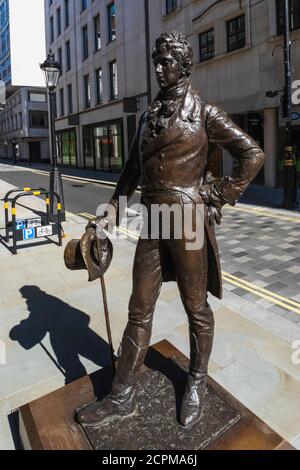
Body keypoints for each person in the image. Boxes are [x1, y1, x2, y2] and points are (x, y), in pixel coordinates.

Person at [77, 31, 265, 428]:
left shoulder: (205, 113)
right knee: (138, 307)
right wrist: (108, 213)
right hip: (153, 221)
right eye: (156, 61)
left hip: (188, 219)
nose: (159, 68)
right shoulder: (147, 116)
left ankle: (196, 380)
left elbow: (252, 153)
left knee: (195, 307)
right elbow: (131, 170)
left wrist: (218, 194)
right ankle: (122, 395)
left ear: (184, 64)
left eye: (166, 61)